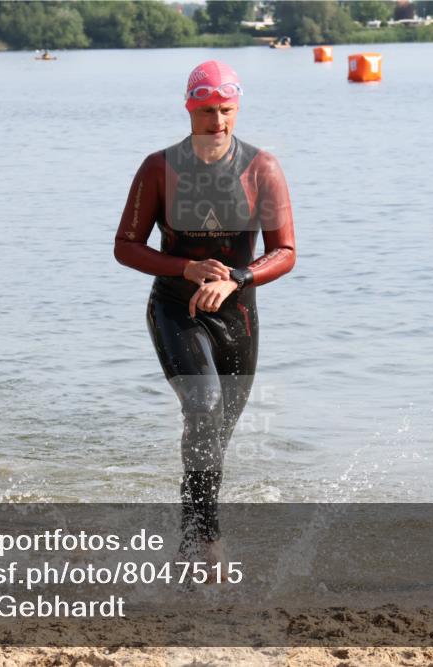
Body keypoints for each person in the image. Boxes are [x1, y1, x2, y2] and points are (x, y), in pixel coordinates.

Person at [114, 60, 296, 566]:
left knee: (216, 433)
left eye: (226, 110)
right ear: (189, 108)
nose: (217, 121)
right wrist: (186, 269)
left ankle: (191, 528)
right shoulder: (160, 167)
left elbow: (285, 252)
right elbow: (126, 246)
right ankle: (206, 540)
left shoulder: (263, 168)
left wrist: (237, 277)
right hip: (175, 309)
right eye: (207, 111)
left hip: (238, 316)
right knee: (203, 406)